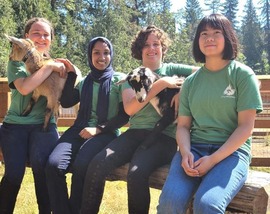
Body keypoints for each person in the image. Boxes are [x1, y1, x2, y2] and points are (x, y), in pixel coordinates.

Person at [79, 25, 198, 214]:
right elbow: (130, 108)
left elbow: (202, 73)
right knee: (97, 164)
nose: (152, 49)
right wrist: (160, 85)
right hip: (134, 134)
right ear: (139, 50)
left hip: (164, 137)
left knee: (136, 173)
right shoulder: (132, 76)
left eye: (156, 44)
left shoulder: (173, 69)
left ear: (162, 48)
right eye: (146, 45)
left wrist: (183, 89)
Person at [157, 14, 263, 214]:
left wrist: (213, 159)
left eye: (216, 33)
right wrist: (185, 152)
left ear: (228, 38)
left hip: (231, 154)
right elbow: (183, 126)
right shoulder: (191, 82)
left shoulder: (242, 74)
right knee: (169, 204)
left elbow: (246, 127)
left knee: (207, 205)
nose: (209, 38)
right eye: (204, 34)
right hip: (194, 150)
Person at [45, 36, 129, 214]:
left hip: (107, 133)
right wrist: (73, 74)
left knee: (82, 164)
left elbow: (124, 116)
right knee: (53, 165)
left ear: (111, 55)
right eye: (96, 52)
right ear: (89, 55)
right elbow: (67, 101)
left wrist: (98, 129)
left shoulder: (119, 80)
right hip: (79, 129)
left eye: (106, 53)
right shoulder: (85, 82)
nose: (101, 57)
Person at [0, 17, 67, 214]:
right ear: (26, 37)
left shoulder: (55, 64)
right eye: (36, 33)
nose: (41, 38)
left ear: (51, 40)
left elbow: (72, 85)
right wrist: (49, 67)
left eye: (46, 34)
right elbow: (24, 88)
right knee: (14, 174)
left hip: (43, 126)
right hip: (15, 125)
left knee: (42, 170)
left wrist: (66, 68)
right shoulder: (17, 63)